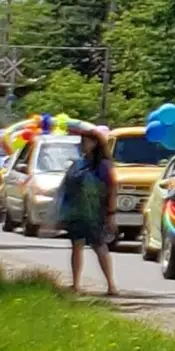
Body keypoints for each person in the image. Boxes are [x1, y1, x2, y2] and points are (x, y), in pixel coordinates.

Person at [63, 125, 118, 295]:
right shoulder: (78, 164)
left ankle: (111, 285)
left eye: (85, 141)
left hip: (96, 213)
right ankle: (75, 284)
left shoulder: (104, 166)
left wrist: (111, 214)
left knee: (99, 247)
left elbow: (112, 190)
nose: (82, 145)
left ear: (95, 143)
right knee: (76, 246)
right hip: (78, 212)